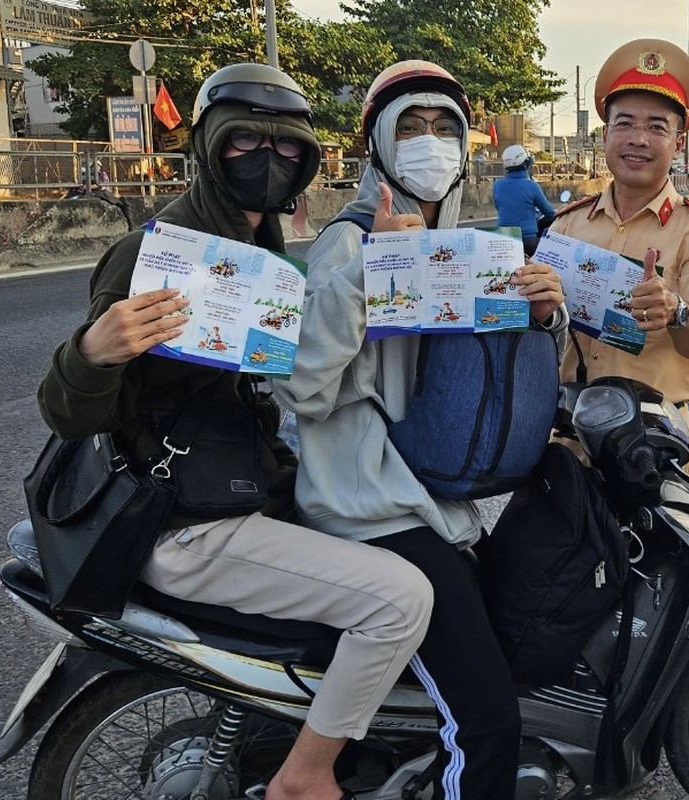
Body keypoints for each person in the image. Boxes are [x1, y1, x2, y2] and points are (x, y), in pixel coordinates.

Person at [36, 63, 434, 800]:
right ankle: (306, 778)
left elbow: (302, 386)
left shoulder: (263, 259)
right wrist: (94, 351)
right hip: (184, 522)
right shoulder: (153, 254)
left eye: (287, 150)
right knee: (401, 599)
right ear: (208, 148)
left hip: (243, 488)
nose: (267, 160)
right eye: (244, 140)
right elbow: (69, 415)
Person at [273, 60, 567, 800]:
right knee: (488, 724)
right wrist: (372, 268)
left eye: (445, 128)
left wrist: (540, 313)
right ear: (377, 142)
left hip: (428, 498)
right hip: (368, 506)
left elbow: (481, 373)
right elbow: (300, 387)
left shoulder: (458, 243)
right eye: (410, 127)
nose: (430, 142)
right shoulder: (348, 241)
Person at [550, 38, 689, 454]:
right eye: (626, 123)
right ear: (605, 134)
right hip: (569, 443)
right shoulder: (568, 225)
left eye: (656, 127)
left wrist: (675, 311)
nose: (639, 139)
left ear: (680, 142)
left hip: (652, 448)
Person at [493, 144, 555, 256]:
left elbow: (500, 208)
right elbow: (549, 213)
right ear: (527, 163)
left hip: (503, 240)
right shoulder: (531, 186)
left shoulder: (497, 186)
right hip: (528, 241)